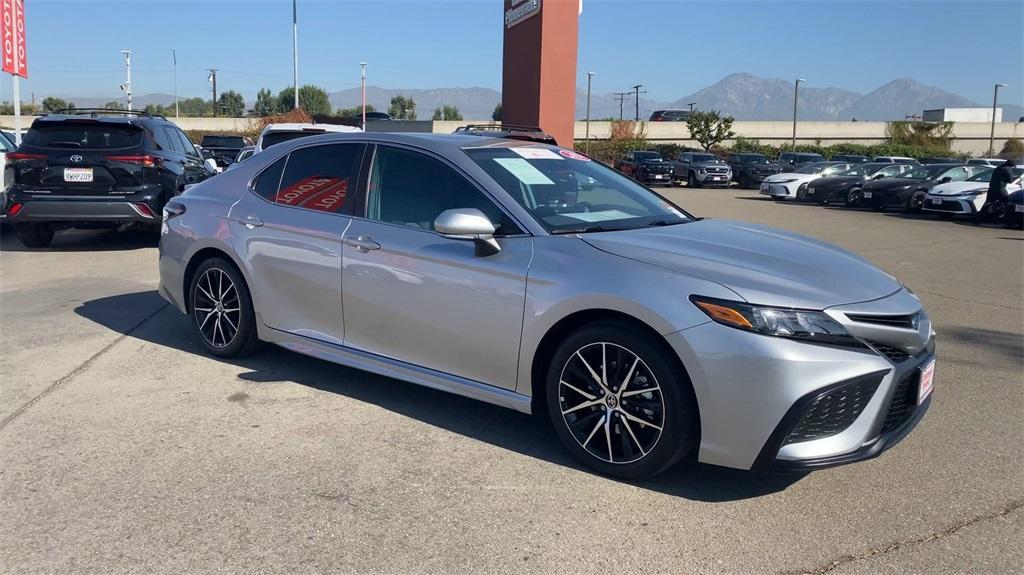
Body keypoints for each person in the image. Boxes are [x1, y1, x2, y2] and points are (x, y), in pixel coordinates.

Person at [976, 158, 1016, 225]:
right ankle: (1009, 221)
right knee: (1007, 203)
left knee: (987, 203)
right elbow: (1010, 180)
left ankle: (978, 219)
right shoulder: (1008, 169)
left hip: (992, 188)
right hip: (1000, 189)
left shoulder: (998, 168)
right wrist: (1014, 177)